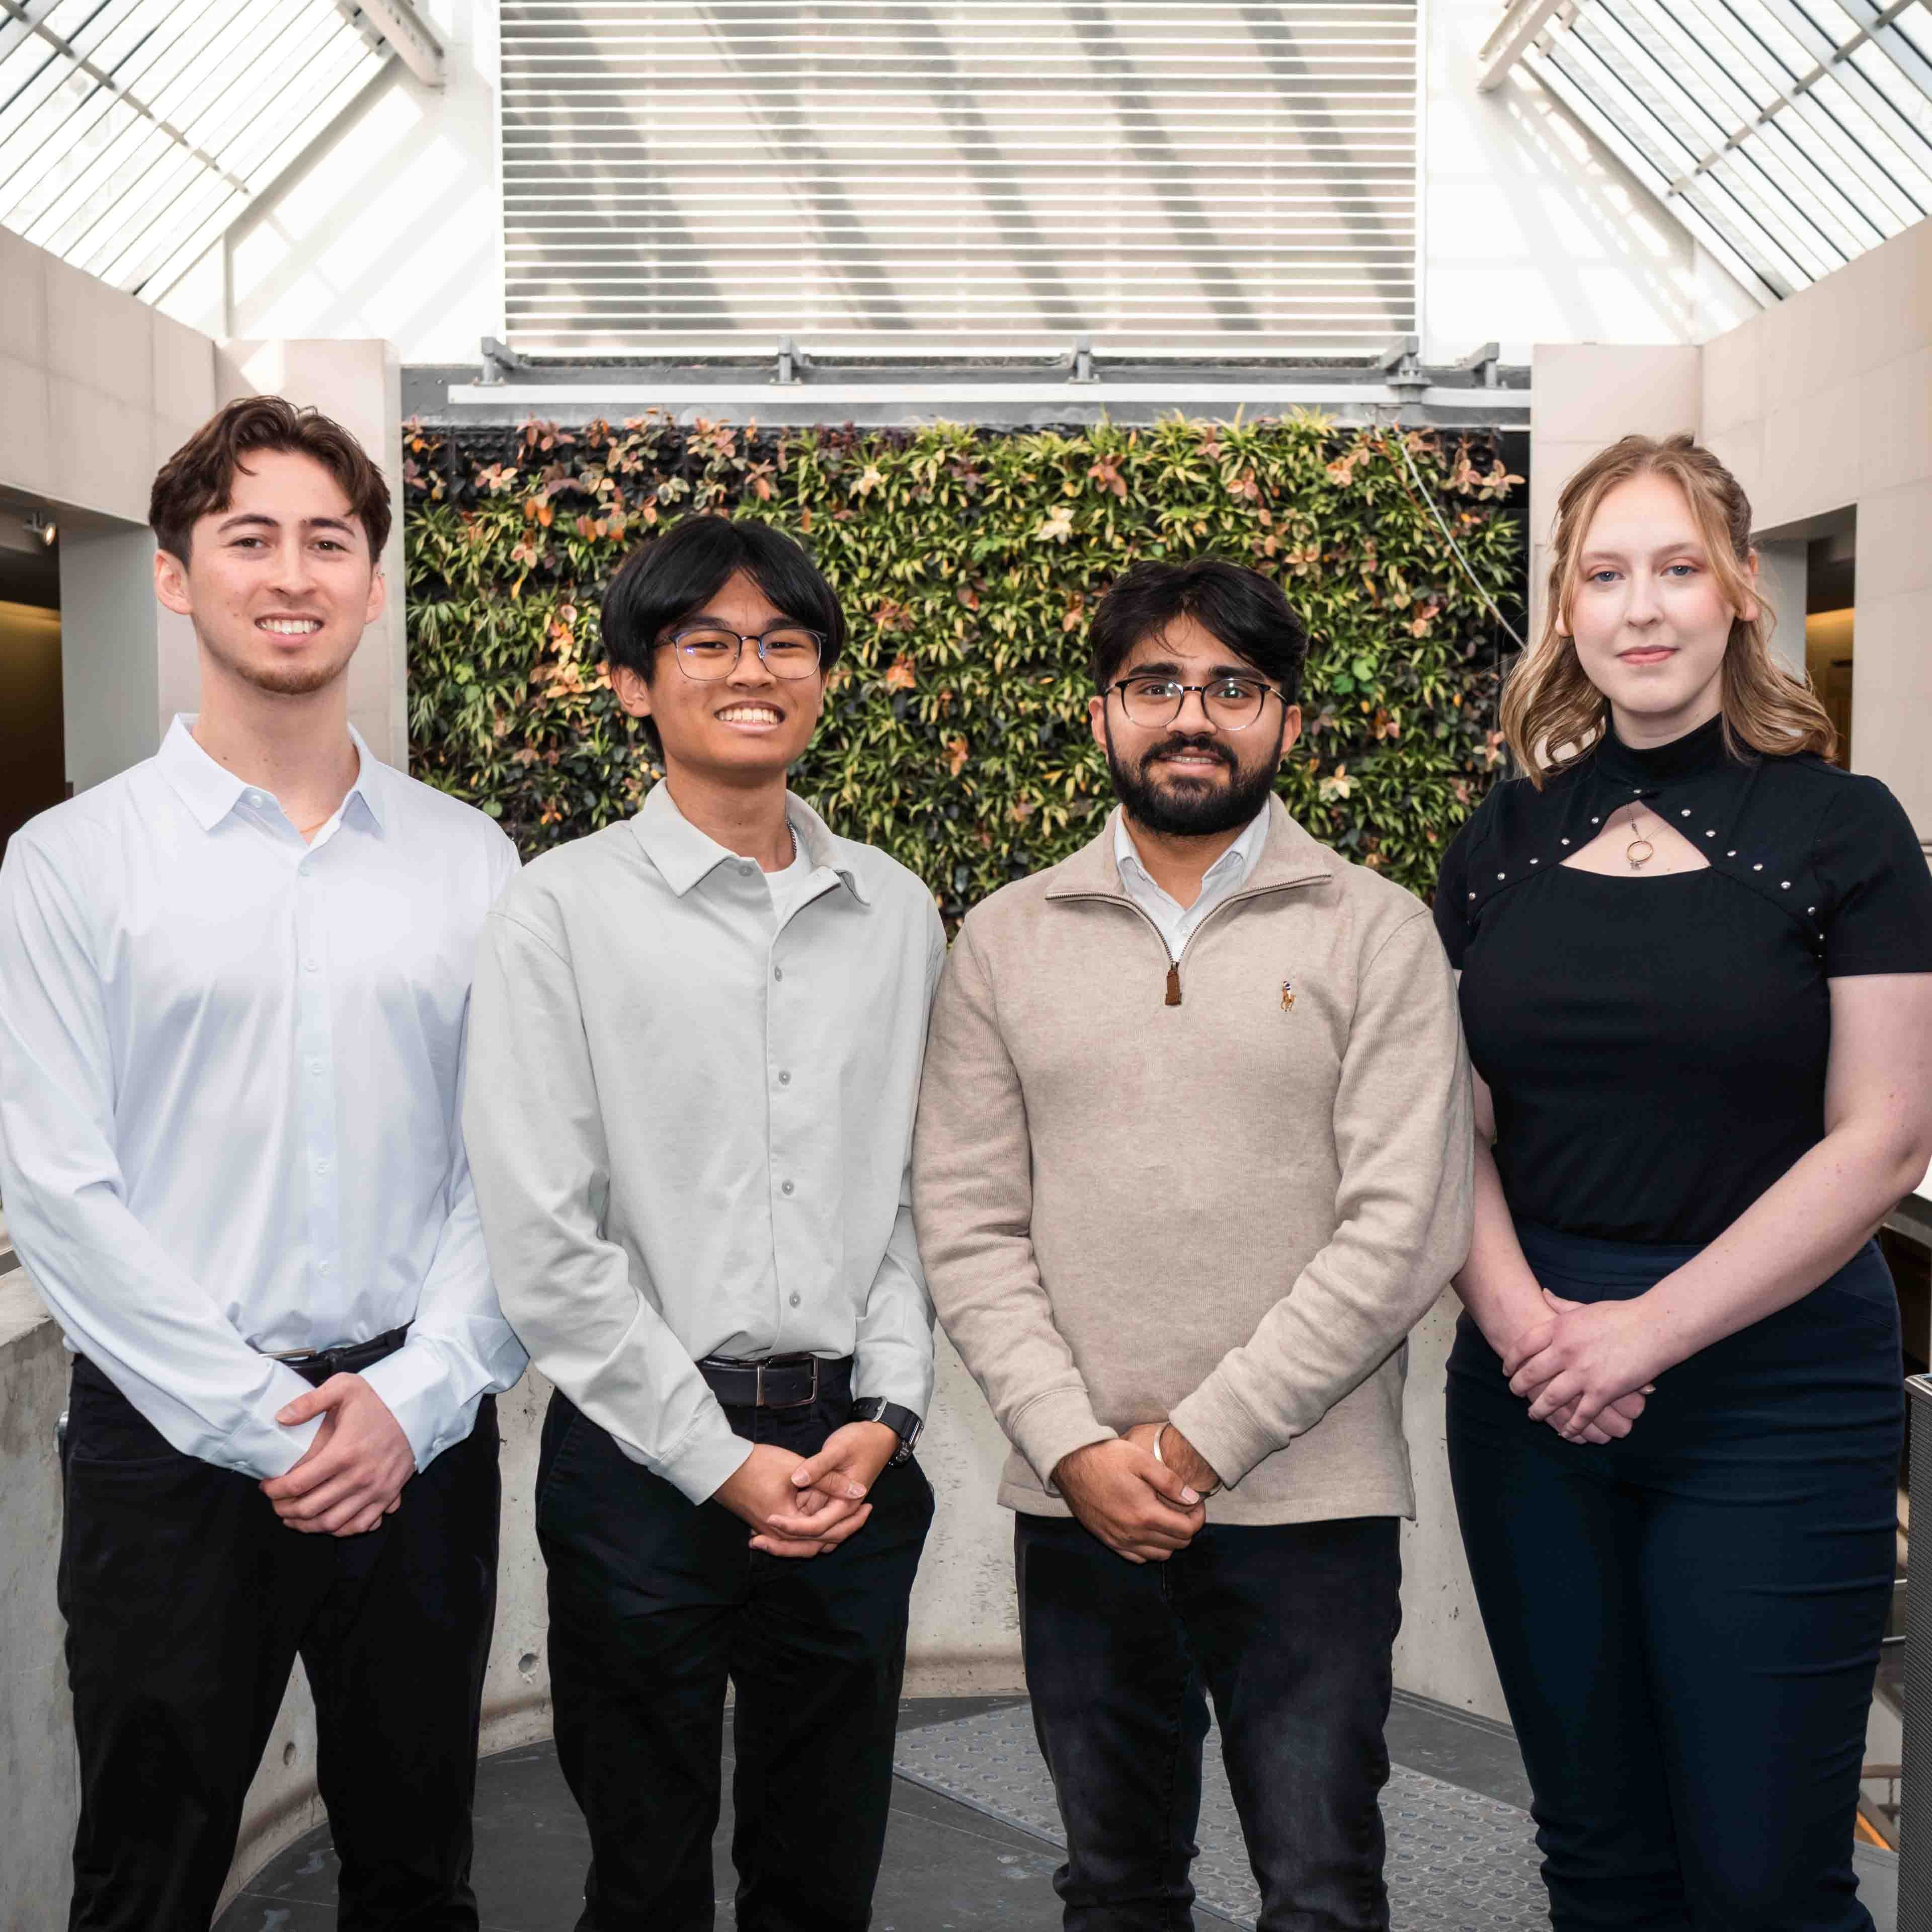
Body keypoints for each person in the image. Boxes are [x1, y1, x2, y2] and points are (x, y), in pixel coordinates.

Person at [0, 395, 527, 1930]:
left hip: (411, 1444)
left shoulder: (468, 860)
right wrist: (263, 1425)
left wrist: (413, 1401)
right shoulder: (70, 864)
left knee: (419, 1872)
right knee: (144, 1876)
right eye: (248, 539)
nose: (290, 574)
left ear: (372, 581)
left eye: (328, 540)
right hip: (164, 1448)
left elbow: (509, 1172)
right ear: (175, 575)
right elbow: (57, 1188)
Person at [913, 556, 1474, 1932]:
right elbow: (969, 1223)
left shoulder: (1380, 933)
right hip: (1080, 1502)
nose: (1192, 715)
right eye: (1155, 682)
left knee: (1322, 1890)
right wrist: (1077, 1450)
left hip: (1311, 1509)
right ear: (1102, 712)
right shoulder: (1001, 940)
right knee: (1115, 1887)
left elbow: (1405, 1230)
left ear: (1288, 721)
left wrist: (1194, 1443)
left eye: (1234, 686)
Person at [1435, 433, 1932, 1930]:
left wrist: (1639, 1337)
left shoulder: (1849, 831)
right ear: (1566, 610)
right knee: (1599, 1866)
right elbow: (1442, 1126)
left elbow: (1884, 1137)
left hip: (1777, 1391)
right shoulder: (1497, 842)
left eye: (1674, 570)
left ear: (1734, 598)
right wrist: (1533, 1330)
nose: (1640, 608)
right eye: (1604, 575)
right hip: (1532, 1393)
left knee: (1763, 1880)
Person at [462, 514, 943, 1932]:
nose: (754, 668)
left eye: (785, 642)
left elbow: (913, 1198)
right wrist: (716, 1461)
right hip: (639, 1471)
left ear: (822, 677)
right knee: (646, 1876)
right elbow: (546, 1237)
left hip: (851, 1459)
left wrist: (894, 1414)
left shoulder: (899, 912)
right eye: (708, 641)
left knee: (824, 1873)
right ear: (633, 681)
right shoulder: (556, 912)